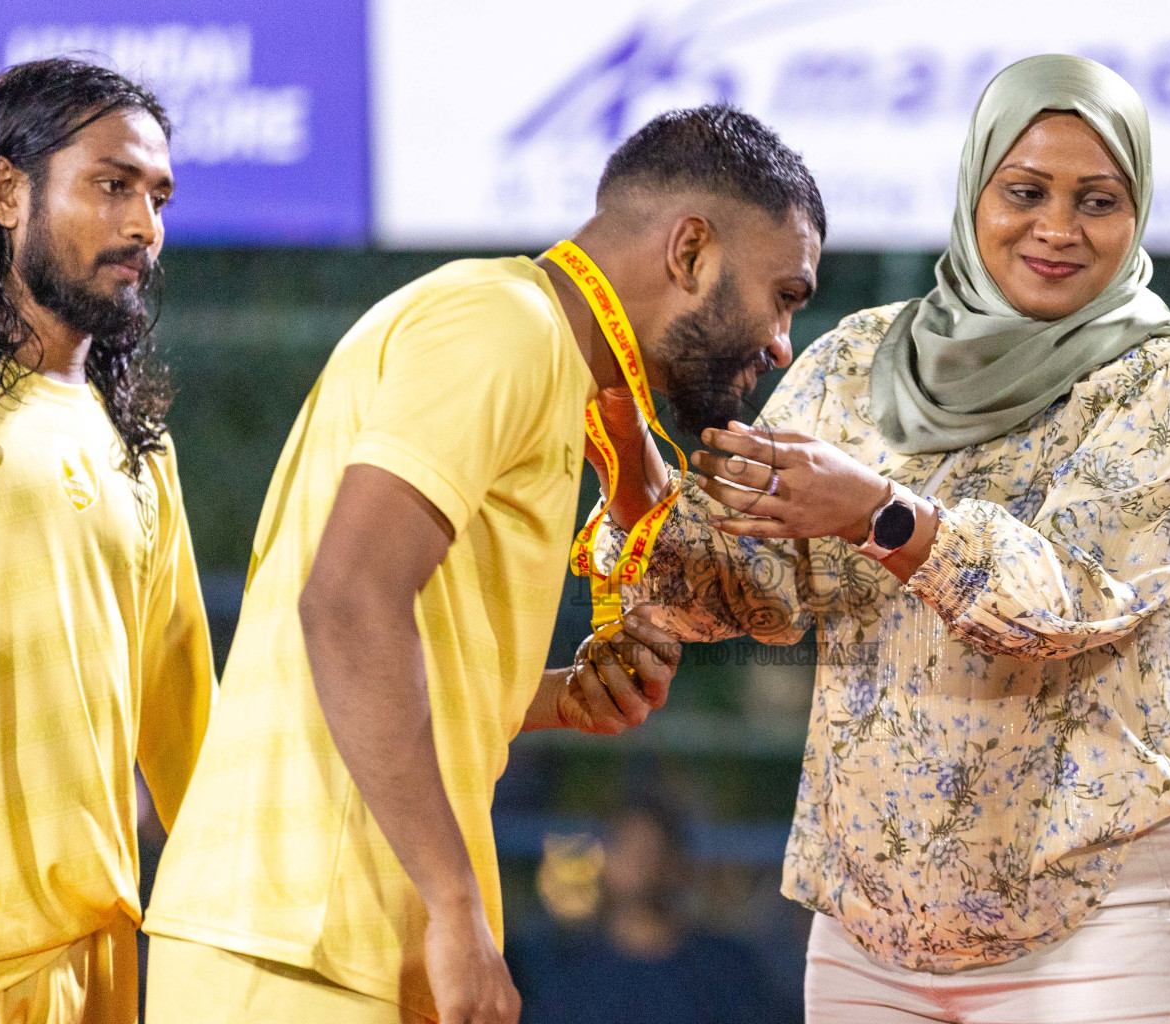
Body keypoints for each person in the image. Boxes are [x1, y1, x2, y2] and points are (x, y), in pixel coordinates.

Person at [594, 55, 1170, 1020]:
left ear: (1138, 210)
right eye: (1024, 192)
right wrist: (640, 504)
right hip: (874, 941)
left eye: (1097, 201)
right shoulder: (859, 360)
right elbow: (762, 590)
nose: (1057, 228)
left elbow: (1066, 599)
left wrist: (879, 515)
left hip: (1109, 915)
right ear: (973, 190)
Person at [142, 105, 825, 1024]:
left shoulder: (542, 355)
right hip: (305, 939)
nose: (782, 341)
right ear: (691, 251)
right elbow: (345, 606)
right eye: (784, 294)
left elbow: (382, 636)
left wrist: (543, 697)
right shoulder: (502, 328)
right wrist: (457, 909)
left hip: (333, 934)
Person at [0, 59, 215, 1024]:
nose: (144, 226)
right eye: (112, 186)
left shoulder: (139, 450)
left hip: (100, 971)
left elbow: (188, 740)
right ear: (6, 190)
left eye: (158, 197)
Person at [510, 798, 794, 1024]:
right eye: (626, 846)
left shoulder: (726, 969)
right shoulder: (562, 967)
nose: (638, 861)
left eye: (650, 848)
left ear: (677, 863)